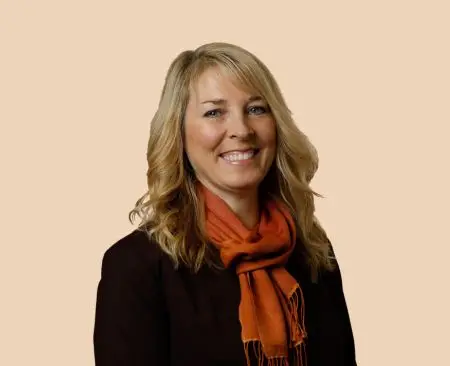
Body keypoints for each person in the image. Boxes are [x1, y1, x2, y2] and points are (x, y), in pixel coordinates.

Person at [93, 42, 357, 366]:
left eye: (256, 109)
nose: (242, 130)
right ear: (179, 133)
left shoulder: (313, 252)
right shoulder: (137, 267)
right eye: (214, 112)